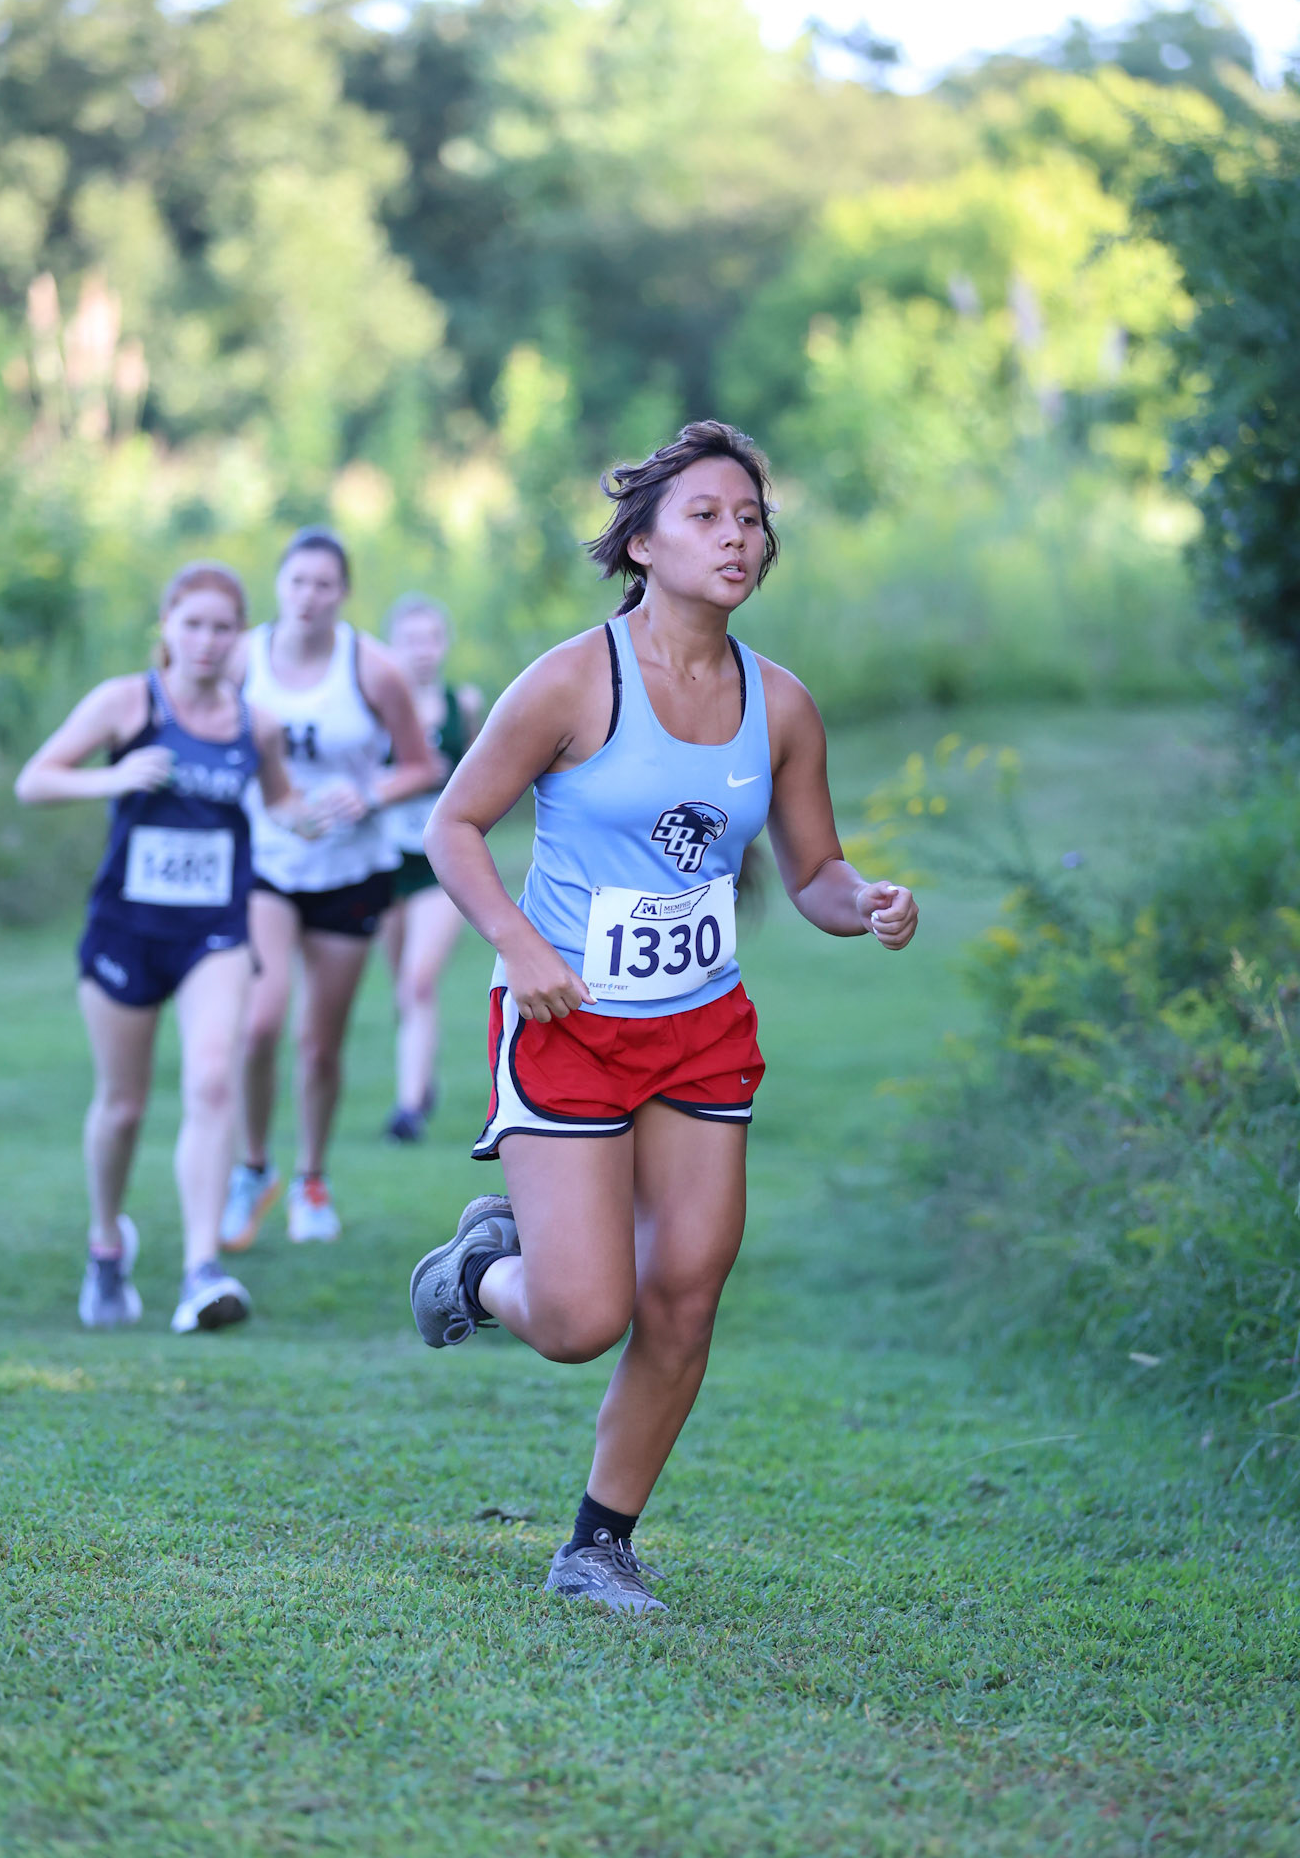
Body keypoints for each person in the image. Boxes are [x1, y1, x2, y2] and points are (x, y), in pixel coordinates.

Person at [407, 421, 919, 1615]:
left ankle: (598, 1544)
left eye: (751, 517)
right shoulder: (575, 680)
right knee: (585, 1315)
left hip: (698, 1026)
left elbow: (813, 874)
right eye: (706, 514)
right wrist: (521, 945)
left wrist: (869, 902)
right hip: (570, 1019)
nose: (737, 534)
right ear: (643, 543)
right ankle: (485, 1267)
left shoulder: (779, 704)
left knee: (687, 1287)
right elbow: (451, 825)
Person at [14, 560, 317, 1334]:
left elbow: (283, 806)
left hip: (213, 929)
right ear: (167, 630)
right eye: (193, 626)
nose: (208, 642)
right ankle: (107, 1244)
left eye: (222, 627)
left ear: (237, 636)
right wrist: (112, 780)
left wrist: (322, 813)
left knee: (213, 1079)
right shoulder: (126, 703)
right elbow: (35, 780)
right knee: (122, 1106)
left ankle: (199, 1272)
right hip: (125, 930)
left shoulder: (256, 724)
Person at [220, 528, 437, 1251]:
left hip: (349, 870)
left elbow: (422, 764)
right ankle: (252, 1168)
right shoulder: (241, 657)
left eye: (323, 584)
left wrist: (370, 793)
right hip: (266, 861)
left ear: (342, 593)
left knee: (318, 1045)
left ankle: (311, 1177)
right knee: (258, 1022)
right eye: (297, 582)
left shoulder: (370, 667)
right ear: (277, 585)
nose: (308, 597)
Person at [377, 594, 483, 1143]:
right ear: (392, 645)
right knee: (402, 985)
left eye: (431, 638)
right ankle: (419, 1074)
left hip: (438, 865)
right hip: (382, 864)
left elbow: (480, 782)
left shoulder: (461, 704)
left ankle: (408, 1109)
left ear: (444, 643)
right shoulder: (374, 707)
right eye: (410, 639)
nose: (421, 650)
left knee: (420, 981)